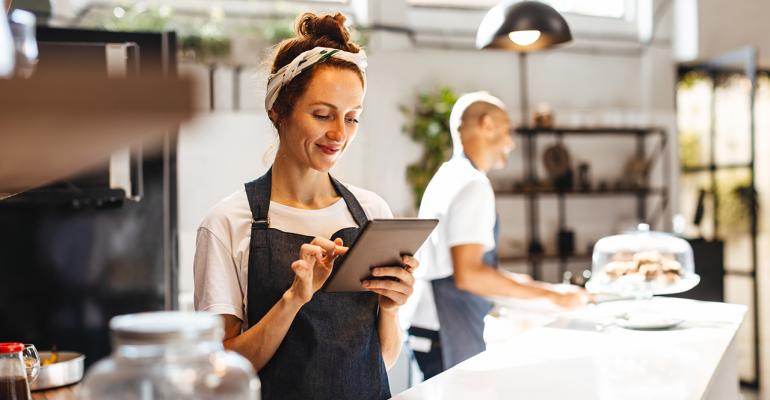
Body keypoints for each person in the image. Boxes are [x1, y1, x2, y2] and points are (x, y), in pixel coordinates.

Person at [193, 12, 418, 400]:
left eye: (352, 118)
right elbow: (220, 374)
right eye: (322, 115)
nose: (339, 134)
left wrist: (391, 309)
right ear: (278, 110)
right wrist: (294, 298)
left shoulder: (371, 211)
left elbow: (384, 359)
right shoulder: (228, 223)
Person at [408, 92, 587, 379]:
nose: (511, 142)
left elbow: (468, 267)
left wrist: (530, 286)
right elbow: (470, 274)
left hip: (431, 326)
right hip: (449, 328)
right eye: (508, 129)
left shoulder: (448, 176)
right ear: (487, 124)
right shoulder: (473, 184)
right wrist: (552, 295)